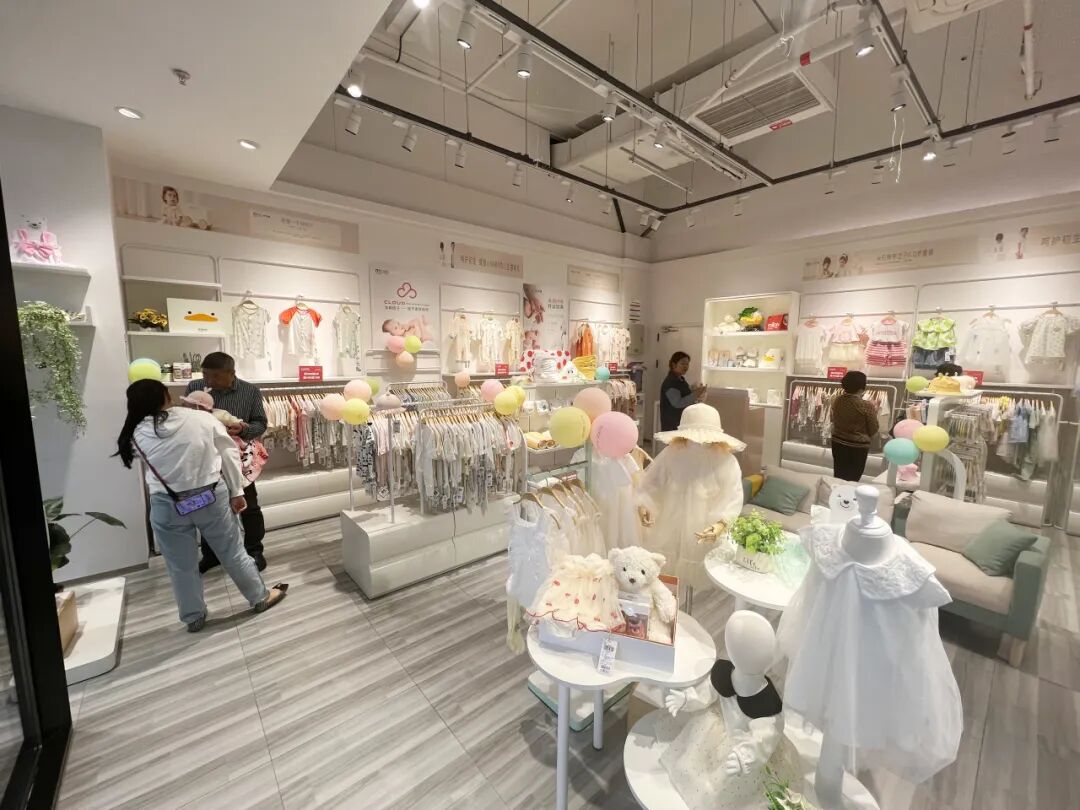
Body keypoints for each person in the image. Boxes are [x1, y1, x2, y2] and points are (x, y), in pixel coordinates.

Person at [114, 379, 287, 632]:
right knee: (232, 552)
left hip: (166, 503)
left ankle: (193, 616)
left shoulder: (135, 432)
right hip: (210, 496)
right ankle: (259, 597)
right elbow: (228, 453)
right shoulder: (201, 418)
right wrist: (237, 491)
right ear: (166, 396)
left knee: (180, 565)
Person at [186, 352, 268, 572]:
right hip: (206, 459)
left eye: (215, 376)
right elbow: (188, 418)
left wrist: (243, 429)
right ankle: (211, 554)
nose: (209, 380)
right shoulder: (195, 387)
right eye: (205, 374)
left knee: (249, 507)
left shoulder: (250, 391)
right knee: (208, 507)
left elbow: (261, 423)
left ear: (231, 373)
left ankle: (254, 551)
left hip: (239, 459)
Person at [830, 371, 880, 482]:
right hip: (857, 448)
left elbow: (833, 420)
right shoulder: (866, 405)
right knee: (853, 479)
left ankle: (836, 492)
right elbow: (874, 430)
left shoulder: (837, 400)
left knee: (839, 476)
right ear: (862, 387)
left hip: (837, 443)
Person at [660, 352, 706, 432]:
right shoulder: (671, 382)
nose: (685, 366)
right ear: (674, 365)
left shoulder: (680, 379)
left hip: (682, 422)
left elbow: (684, 394)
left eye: (687, 364)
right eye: (682, 363)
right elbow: (678, 403)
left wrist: (694, 390)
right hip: (673, 425)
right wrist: (695, 394)